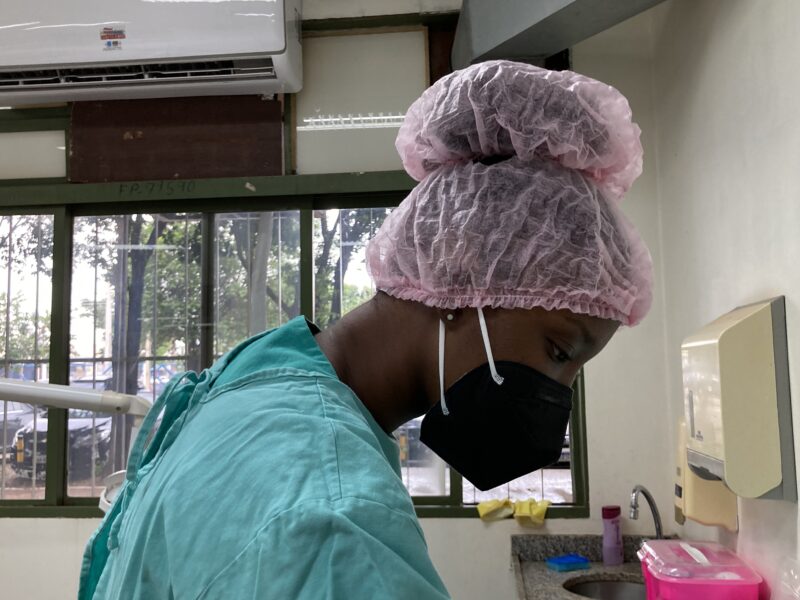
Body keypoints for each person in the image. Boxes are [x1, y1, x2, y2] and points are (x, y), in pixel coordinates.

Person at [79, 60, 653, 599]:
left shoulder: (256, 386)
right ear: (461, 274)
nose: (559, 392)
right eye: (558, 350)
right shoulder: (335, 523)